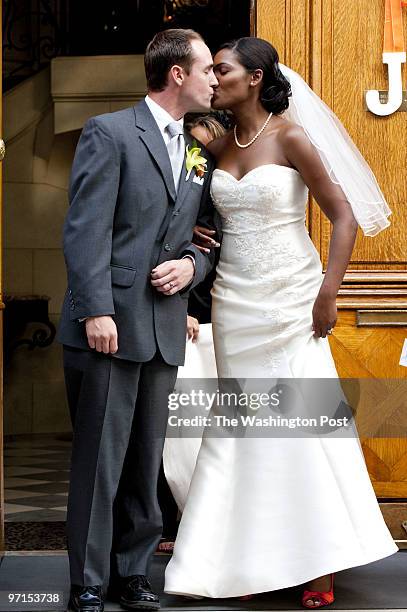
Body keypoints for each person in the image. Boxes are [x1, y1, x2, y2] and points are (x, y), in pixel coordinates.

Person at [164, 37, 397, 608]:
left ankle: (318, 561)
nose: (214, 78)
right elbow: (190, 204)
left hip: (293, 298)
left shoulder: (292, 135)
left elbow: (343, 218)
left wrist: (328, 293)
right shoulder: (216, 142)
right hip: (235, 299)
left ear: (256, 77)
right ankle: (241, 559)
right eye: (211, 69)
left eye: (223, 69)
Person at [57, 28, 218, 612]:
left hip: (165, 328)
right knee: (100, 461)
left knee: (146, 460)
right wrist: (96, 309)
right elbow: (84, 231)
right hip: (108, 328)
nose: (214, 80)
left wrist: (190, 268)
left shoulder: (199, 152)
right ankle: (89, 583)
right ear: (178, 73)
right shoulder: (111, 132)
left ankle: (132, 574)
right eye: (206, 70)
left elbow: (207, 238)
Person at [158, 115, 226, 554]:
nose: (196, 157)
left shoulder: (226, 177)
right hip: (187, 305)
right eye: (192, 146)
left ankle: (210, 517)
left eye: (205, 150)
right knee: (179, 425)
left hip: (230, 303)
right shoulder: (183, 177)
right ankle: (174, 520)